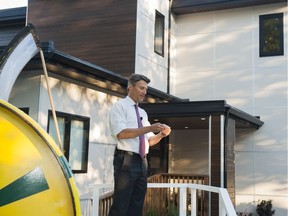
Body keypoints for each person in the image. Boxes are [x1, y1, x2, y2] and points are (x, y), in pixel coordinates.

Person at [108, 74, 171, 216]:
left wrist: (161, 134)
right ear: (130, 87)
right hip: (126, 161)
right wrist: (149, 128)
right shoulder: (119, 107)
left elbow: (149, 141)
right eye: (141, 88)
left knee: (137, 204)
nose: (144, 92)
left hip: (142, 162)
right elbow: (121, 134)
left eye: (146, 89)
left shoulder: (142, 112)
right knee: (121, 205)